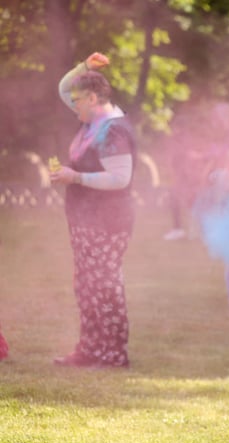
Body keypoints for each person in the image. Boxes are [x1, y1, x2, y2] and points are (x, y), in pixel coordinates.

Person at [50, 52, 136, 368]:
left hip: (108, 223)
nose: (73, 107)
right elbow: (63, 89)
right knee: (86, 285)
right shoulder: (92, 120)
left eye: (78, 101)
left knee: (105, 286)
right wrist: (83, 68)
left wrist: (76, 177)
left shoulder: (113, 129)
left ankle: (113, 354)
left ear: (93, 98)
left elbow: (120, 178)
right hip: (85, 221)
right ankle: (89, 350)